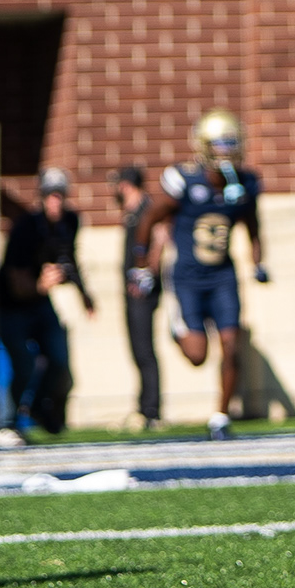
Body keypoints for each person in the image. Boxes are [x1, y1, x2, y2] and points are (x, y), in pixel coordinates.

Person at [143, 109, 267, 441]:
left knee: (231, 344)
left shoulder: (245, 184)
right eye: (219, 144)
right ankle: (179, 328)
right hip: (186, 278)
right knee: (197, 355)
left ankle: (221, 417)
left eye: (231, 143)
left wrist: (258, 263)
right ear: (203, 146)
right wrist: (142, 262)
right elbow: (150, 218)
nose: (226, 152)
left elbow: (253, 227)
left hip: (222, 276)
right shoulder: (185, 180)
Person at [0, 166, 85, 443]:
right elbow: (14, 280)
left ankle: (40, 408)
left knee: (60, 359)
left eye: (60, 195)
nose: (55, 202)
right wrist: (40, 285)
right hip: (13, 305)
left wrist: (85, 295)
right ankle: (6, 422)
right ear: (43, 197)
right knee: (24, 365)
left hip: (40, 302)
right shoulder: (25, 227)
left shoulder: (69, 222)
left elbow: (69, 259)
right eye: (51, 196)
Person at [106, 162, 163, 429]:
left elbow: (160, 239)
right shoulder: (131, 212)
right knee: (137, 349)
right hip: (131, 289)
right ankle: (143, 406)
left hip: (142, 291)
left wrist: (146, 274)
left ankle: (151, 410)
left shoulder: (146, 209)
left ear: (126, 185)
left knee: (144, 349)